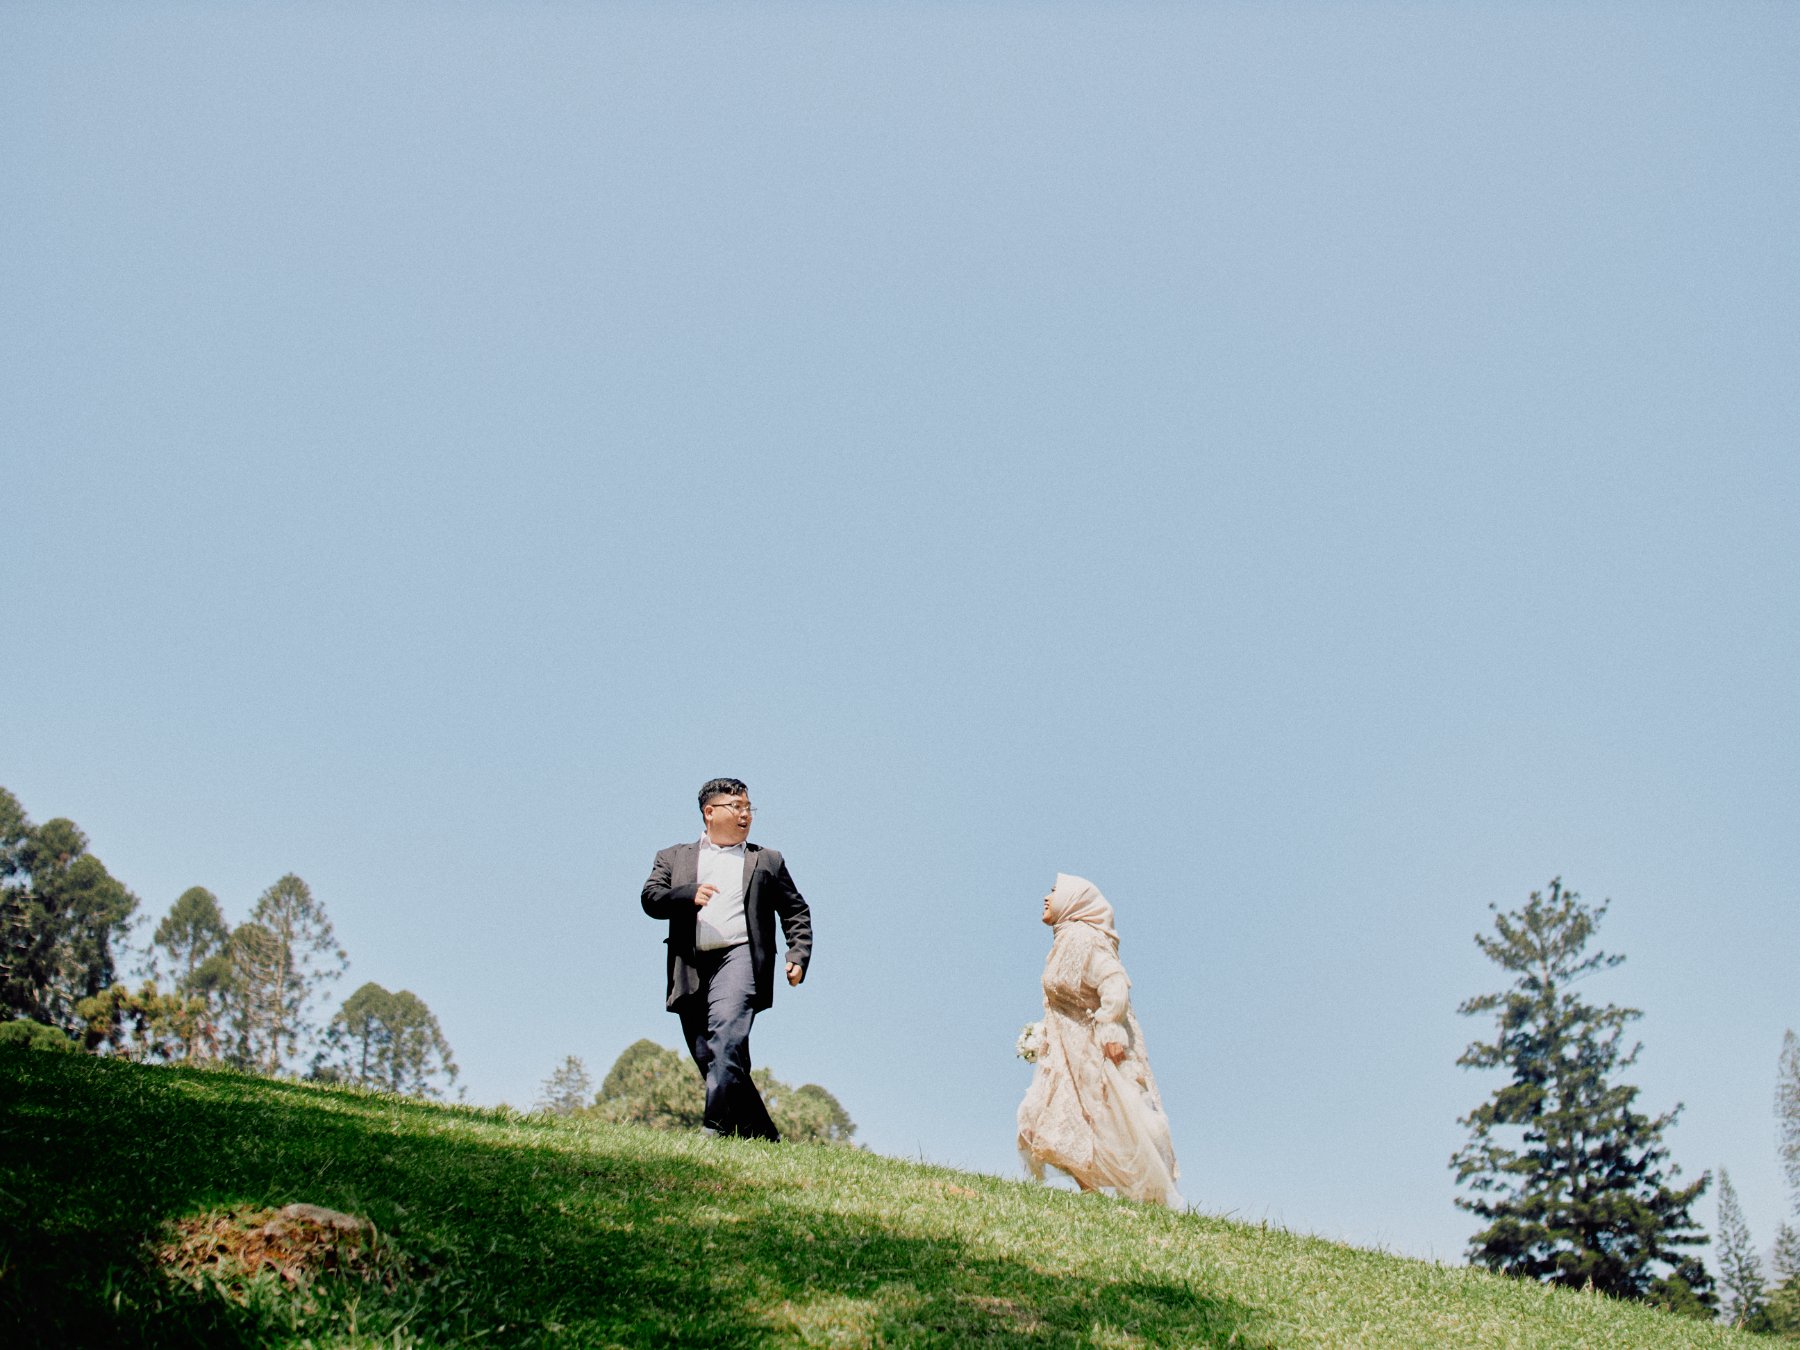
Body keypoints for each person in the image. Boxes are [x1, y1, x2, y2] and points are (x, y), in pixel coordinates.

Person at [640, 778, 813, 1139]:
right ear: (709, 812)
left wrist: (798, 952)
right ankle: (762, 1136)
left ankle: (714, 1128)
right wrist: (687, 895)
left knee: (727, 1036)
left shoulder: (766, 860)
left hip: (740, 957)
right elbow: (651, 898)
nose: (745, 814)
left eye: (749, 807)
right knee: (710, 1053)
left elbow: (795, 910)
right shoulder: (673, 856)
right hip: (689, 966)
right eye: (736, 807)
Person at [1017, 873, 1183, 1206]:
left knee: (1108, 1124)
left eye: (1054, 891)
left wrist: (1110, 1029)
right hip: (1065, 1054)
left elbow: (1113, 981)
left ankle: (1115, 1197)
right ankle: (1090, 1196)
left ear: (1073, 900)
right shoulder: (1064, 940)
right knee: (1043, 1122)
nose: (1047, 897)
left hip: (1092, 1052)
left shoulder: (1085, 939)